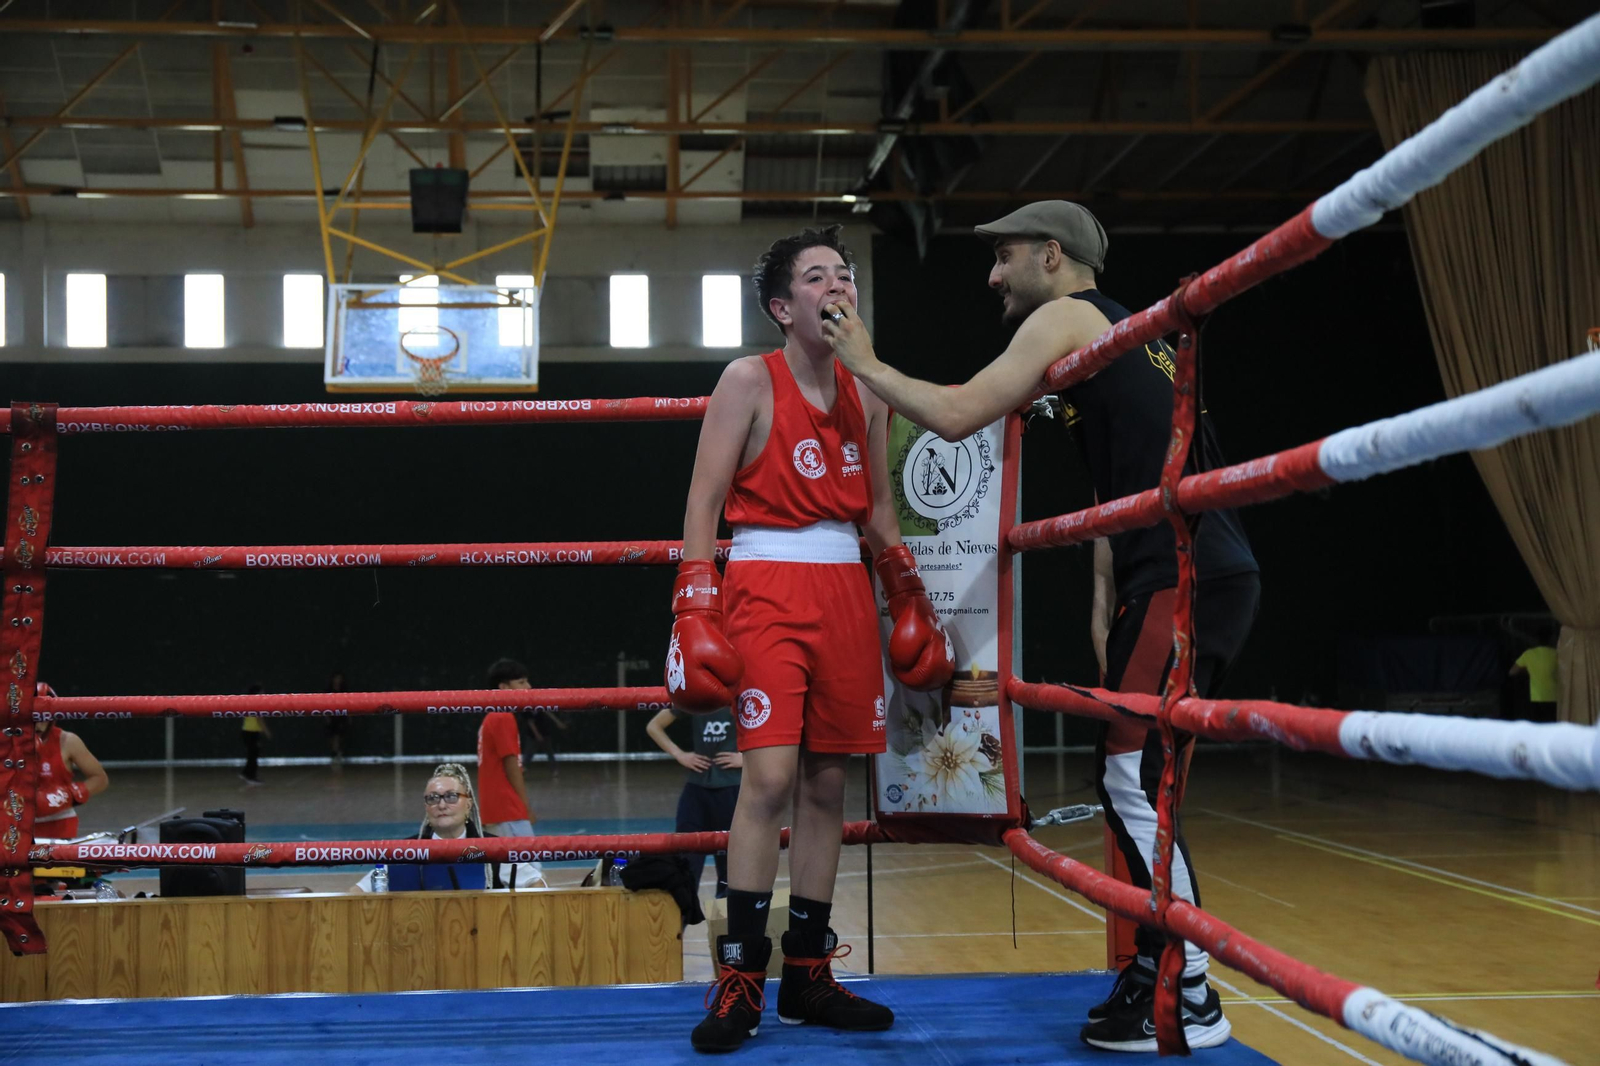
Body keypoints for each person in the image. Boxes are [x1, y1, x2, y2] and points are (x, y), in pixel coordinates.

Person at [822, 200, 1258, 1053]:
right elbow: (1128, 477)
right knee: (1136, 774)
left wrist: (864, 361)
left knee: (1133, 776)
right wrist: (1107, 602)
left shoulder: (1066, 317)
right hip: (1178, 571)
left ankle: (1192, 990)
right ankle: (1157, 967)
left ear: (1052, 257)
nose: (991, 276)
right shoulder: (1125, 331)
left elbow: (954, 416)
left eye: (1004, 257)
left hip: (1184, 574)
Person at [666, 225, 955, 1053]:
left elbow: (881, 509)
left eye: (846, 274)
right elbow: (701, 498)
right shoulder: (746, 379)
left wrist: (904, 589)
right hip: (764, 585)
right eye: (818, 276)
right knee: (768, 780)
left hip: (845, 589)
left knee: (828, 784)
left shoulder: (870, 385)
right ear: (781, 306)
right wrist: (694, 599)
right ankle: (737, 982)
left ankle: (807, 976)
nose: (838, 286)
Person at [357, 762, 541, 891]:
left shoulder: (494, 850)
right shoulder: (404, 853)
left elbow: (538, 885)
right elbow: (358, 891)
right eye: (433, 798)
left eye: (451, 796)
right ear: (426, 807)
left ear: (468, 804)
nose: (442, 805)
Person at [646, 706, 741, 898]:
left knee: (730, 874)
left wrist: (747, 758)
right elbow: (654, 726)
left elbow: (775, 729)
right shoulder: (696, 696)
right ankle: (678, 926)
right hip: (696, 793)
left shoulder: (744, 694)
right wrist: (680, 755)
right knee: (686, 867)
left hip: (733, 791)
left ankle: (726, 927)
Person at [32, 683, 110, 841]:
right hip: (15, 823)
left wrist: (68, 795)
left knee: (57, 865)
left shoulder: (67, 741)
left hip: (59, 824)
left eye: (44, 716)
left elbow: (100, 779)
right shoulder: (7, 741)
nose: (39, 723)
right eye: (34, 716)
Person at [478, 658, 535, 838]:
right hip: (507, 810)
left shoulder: (493, 715)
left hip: (497, 809)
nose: (529, 687)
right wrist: (525, 807)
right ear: (504, 687)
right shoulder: (502, 716)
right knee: (530, 864)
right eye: (521, 682)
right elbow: (511, 764)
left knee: (510, 866)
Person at [1509, 627, 1559, 721]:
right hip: (1554, 696)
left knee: (1537, 725)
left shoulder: (1528, 654)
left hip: (1536, 697)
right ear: (1551, 639)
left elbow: (1512, 672)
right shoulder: (1556, 654)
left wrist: (1529, 669)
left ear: (1536, 640)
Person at [240, 683, 269, 787]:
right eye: (261, 692)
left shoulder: (248, 702)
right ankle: (251, 776)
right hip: (251, 732)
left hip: (248, 731)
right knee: (253, 755)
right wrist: (266, 732)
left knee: (251, 754)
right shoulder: (255, 703)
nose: (264, 694)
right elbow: (259, 719)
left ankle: (246, 773)